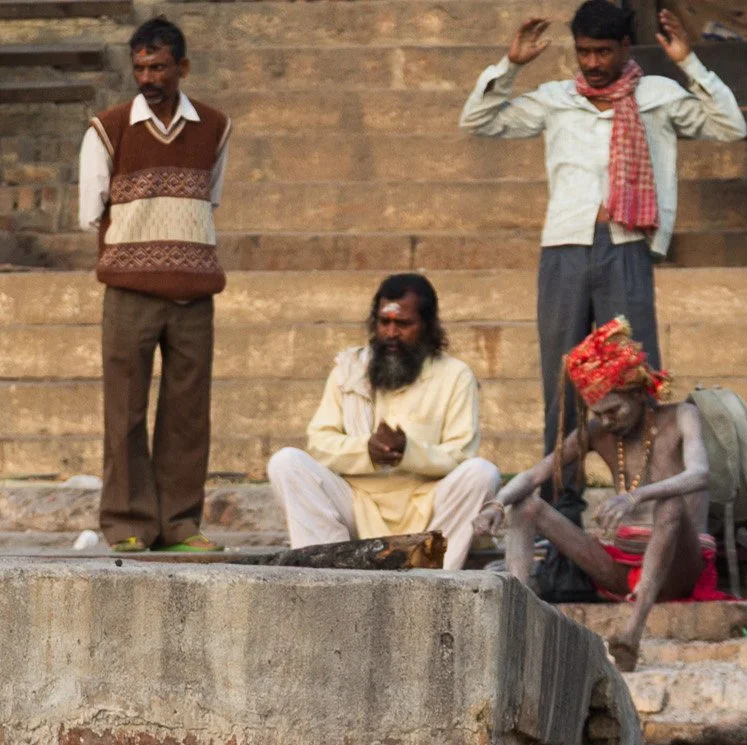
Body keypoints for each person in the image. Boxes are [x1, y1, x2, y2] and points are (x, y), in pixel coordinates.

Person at [460, 1, 743, 467]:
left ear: (626, 47)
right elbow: (477, 121)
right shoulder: (556, 99)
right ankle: (563, 496)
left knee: (634, 376)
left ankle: (644, 491)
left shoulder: (656, 95)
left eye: (604, 51)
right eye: (585, 51)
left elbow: (730, 126)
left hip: (626, 246)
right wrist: (510, 66)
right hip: (564, 248)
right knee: (562, 378)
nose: (593, 62)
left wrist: (688, 62)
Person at [80, 15, 230, 552]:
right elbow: (92, 211)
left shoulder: (215, 127)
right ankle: (127, 525)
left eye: (160, 67)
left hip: (195, 291)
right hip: (128, 291)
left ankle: (180, 526)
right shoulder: (108, 128)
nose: (149, 77)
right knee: (125, 410)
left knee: (189, 412)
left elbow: (209, 198)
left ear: (182, 68)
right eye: (141, 67)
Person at [498, 314, 708, 667]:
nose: (608, 421)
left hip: (679, 568)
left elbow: (700, 474)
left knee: (669, 503)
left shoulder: (682, 416)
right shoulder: (598, 432)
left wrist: (636, 496)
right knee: (525, 506)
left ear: (639, 393)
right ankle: (515, 618)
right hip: (620, 569)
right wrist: (495, 503)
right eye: (600, 413)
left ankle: (631, 635)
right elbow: (535, 475)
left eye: (614, 410)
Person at [266, 275, 501, 570]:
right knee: (286, 462)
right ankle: (327, 576)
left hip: (426, 504)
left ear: (427, 325)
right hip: (356, 501)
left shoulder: (455, 375)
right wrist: (366, 450)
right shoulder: (350, 370)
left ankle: (434, 579)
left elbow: (460, 454)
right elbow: (320, 443)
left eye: (403, 324)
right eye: (384, 322)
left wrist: (408, 452)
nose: (391, 333)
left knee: (481, 473)